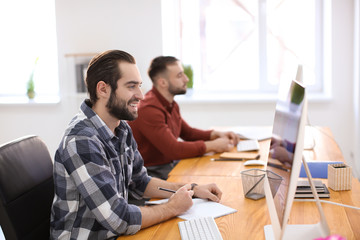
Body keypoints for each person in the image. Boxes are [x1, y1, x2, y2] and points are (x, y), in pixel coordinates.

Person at [50, 50, 222, 239]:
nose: (140, 95)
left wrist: (192, 190)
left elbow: (140, 182)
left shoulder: (121, 127)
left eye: (139, 86)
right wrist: (172, 207)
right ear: (103, 89)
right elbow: (119, 218)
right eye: (131, 86)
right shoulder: (82, 141)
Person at [128, 56, 240, 180]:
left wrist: (216, 134)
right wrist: (213, 145)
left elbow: (188, 133)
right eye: (179, 76)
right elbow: (174, 149)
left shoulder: (170, 104)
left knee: (214, 171)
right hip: (152, 172)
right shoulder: (148, 109)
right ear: (163, 82)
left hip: (167, 165)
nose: (186, 79)